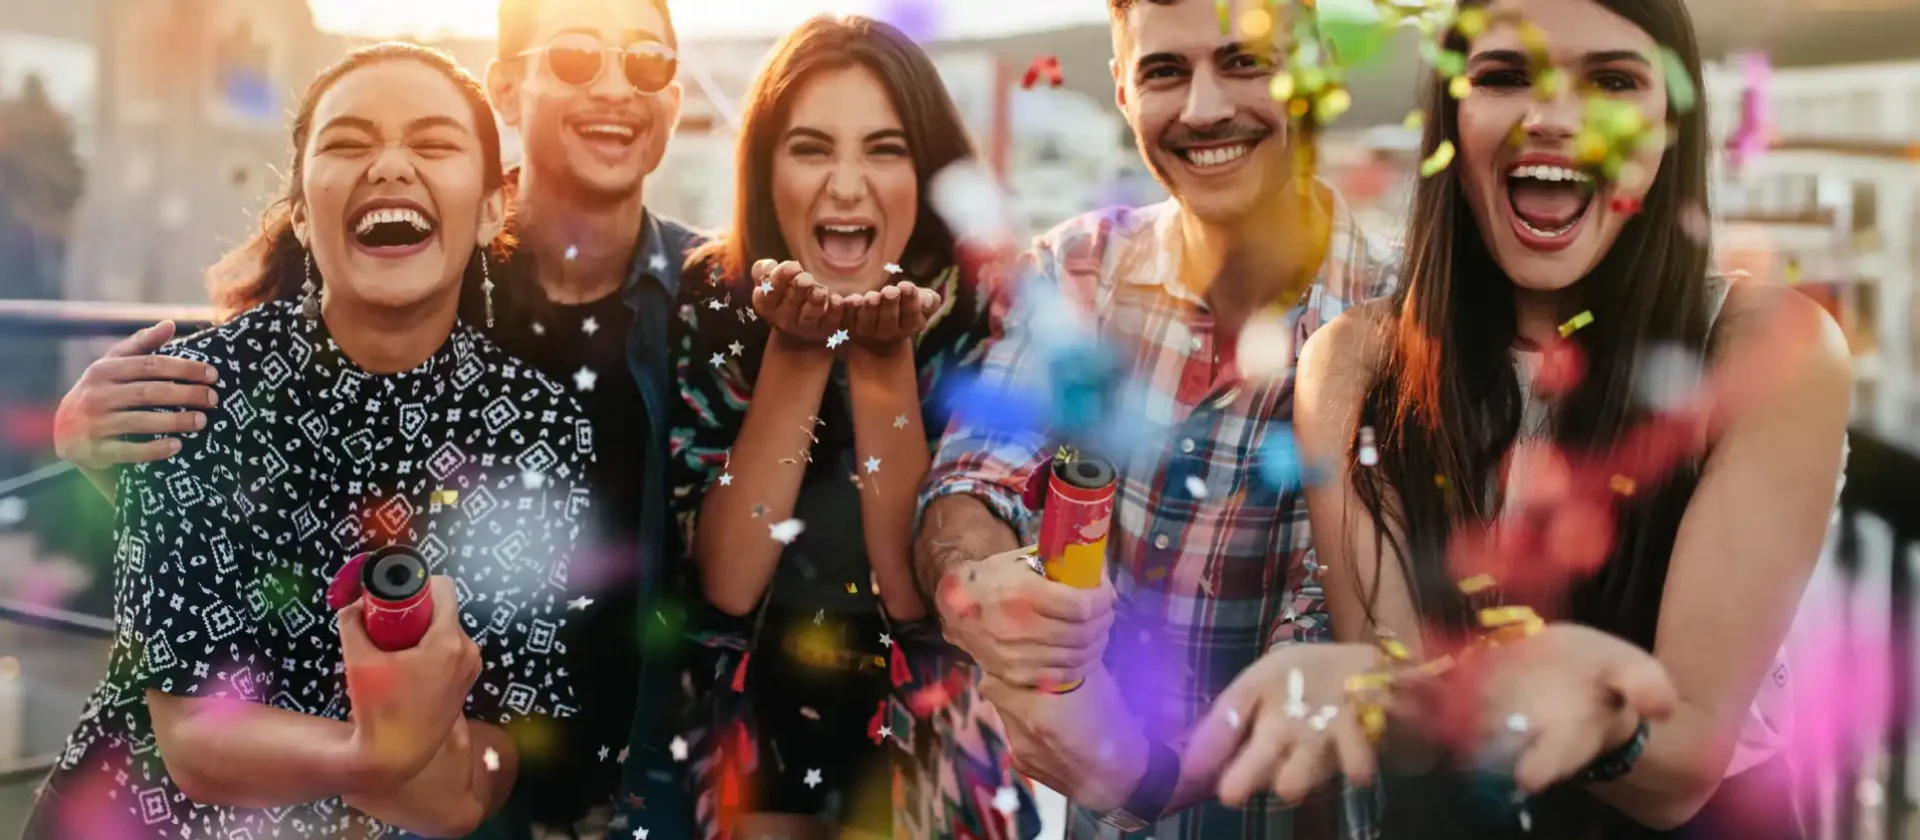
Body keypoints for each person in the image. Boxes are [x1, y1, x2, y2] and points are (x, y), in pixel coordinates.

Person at [918, 1, 1687, 838]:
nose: (1205, 107)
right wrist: (986, 583)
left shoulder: (1408, 332)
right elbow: (975, 479)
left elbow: (1351, 621)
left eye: (1244, 62)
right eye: (1164, 71)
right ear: (1120, 88)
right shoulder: (1075, 269)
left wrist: (1143, 769)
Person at [49, 1, 706, 837]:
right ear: (297, 209)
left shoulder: (541, 426)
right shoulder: (198, 388)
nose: (391, 166)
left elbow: (474, 785)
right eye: (350, 143)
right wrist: (383, 755)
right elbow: (196, 745)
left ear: (492, 210)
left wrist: (402, 762)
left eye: (433, 144)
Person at [1291, 0, 1849, 838]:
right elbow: (1399, 729)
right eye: (1505, 77)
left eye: (1614, 81)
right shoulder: (1352, 363)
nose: (1552, 118)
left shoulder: (1770, 347)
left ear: (1670, 127)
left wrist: (1606, 718)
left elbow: (1680, 769)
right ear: (1452, 117)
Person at [664, 16, 1035, 840]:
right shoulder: (716, 297)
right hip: (752, 734)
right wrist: (796, 352)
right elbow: (726, 581)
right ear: (765, 169)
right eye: (810, 148)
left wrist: (880, 358)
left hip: (935, 737)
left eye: (883, 149)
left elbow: (917, 601)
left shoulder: (989, 306)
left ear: (928, 169)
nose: (845, 184)